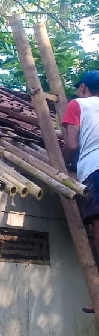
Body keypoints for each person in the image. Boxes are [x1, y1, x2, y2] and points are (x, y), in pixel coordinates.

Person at [62, 71, 99, 313]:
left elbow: (72, 144)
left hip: (95, 167)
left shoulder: (77, 104)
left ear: (83, 88)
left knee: (98, 229)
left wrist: (63, 164)